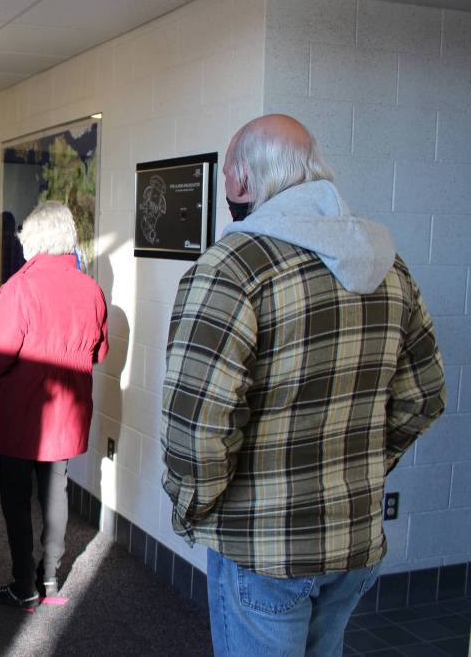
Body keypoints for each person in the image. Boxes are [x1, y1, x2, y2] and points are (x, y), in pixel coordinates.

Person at [161, 114, 446, 656]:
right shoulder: (390, 268)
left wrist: (194, 507)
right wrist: (360, 468)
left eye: (226, 177)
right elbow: (425, 394)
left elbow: (197, 424)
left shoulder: (231, 268)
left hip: (263, 548)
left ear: (243, 179)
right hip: (355, 539)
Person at [0, 201, 108, 609]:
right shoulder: (91, 289)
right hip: (68, 412)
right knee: (55, 490)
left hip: (23, 413)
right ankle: (50, 576)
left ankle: (23, 584)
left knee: (15, 496)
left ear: (32, 240)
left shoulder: (20, 287)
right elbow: (99, 353)